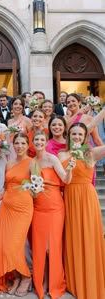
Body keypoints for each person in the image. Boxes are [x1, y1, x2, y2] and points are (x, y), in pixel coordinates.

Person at [58, 122, 105, 299]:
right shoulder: (61, 154)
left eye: (80, 134)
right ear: (68, 136)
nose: (77, 137)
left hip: (86, 198)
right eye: (74, 134)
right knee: (72, 237)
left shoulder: (91, 153)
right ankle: (74, 280)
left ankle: (91, 281)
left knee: (88, 236)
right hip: (68, 198)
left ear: (86, 137)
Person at [30, 130, 76, 299]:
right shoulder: (32, 163)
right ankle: (42, 281)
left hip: (55, 207)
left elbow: (65, 179)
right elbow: (32, 189)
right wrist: (34, 191)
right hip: (38, 208)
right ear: (33, 143)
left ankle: (54, 283)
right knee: (40, 246)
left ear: (46, 142)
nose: (40, 142)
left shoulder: (52, 158)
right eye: (37, 140)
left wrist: (70, 169)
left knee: (52, 247)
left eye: (42, 139)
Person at [0, 133, 33, 296]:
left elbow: (37, 186)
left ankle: (26, 276)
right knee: (0, 244)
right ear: (13, 145)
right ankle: (17, 277)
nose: (19, 146)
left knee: (13, 246)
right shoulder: (9, 163)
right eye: (17, 143)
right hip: (6, 207)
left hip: (23, 208)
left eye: (23, 143)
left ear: (28, 145)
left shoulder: (32, 163)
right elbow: (6, 186)